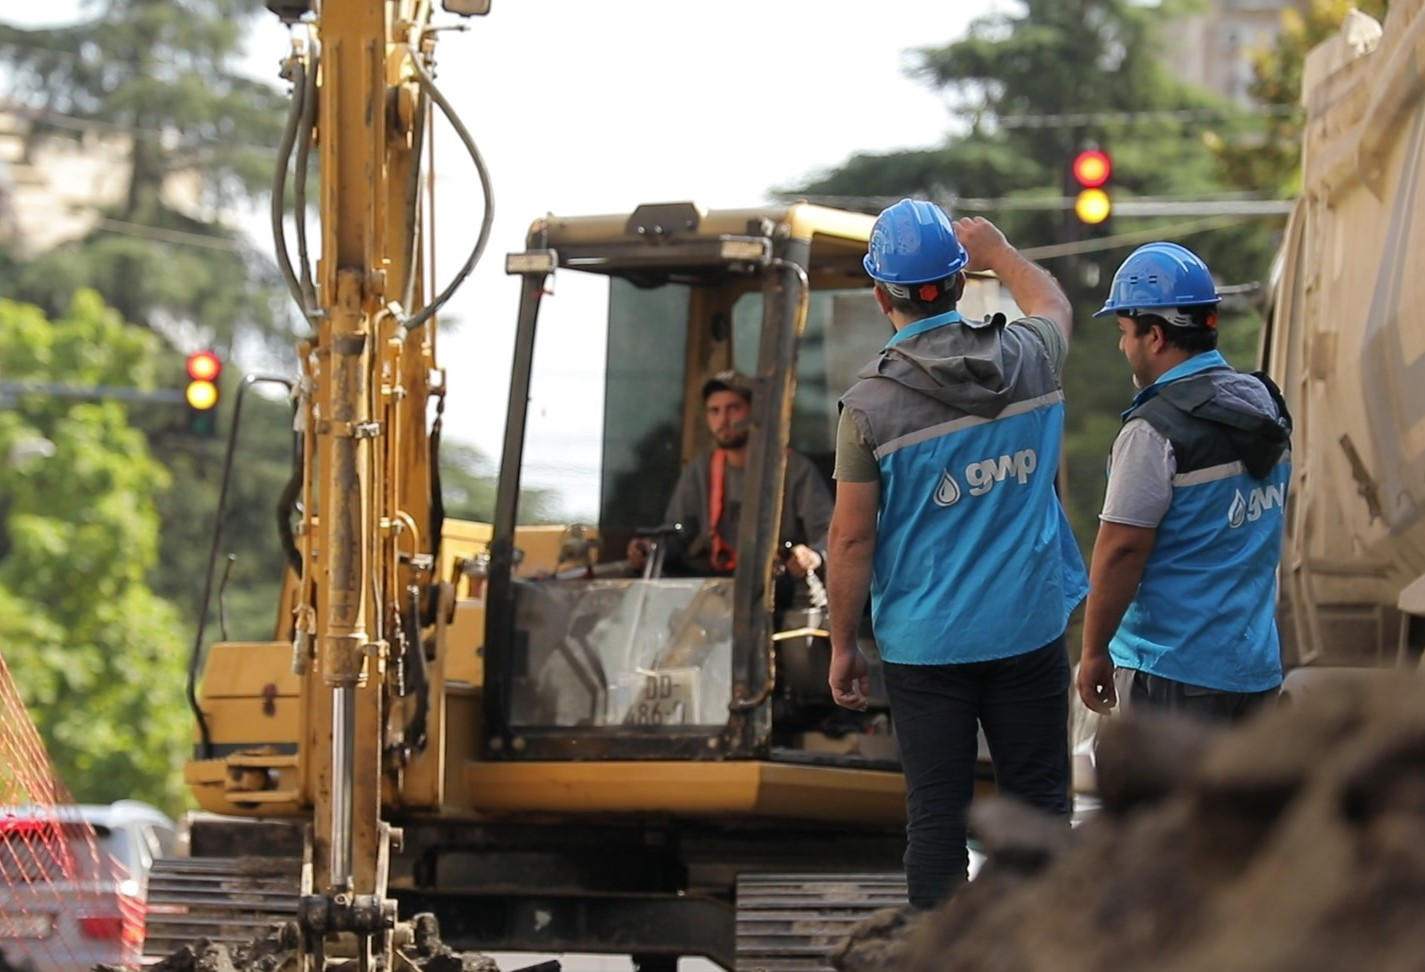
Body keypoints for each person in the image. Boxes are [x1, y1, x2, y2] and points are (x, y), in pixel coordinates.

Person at [826, 199, 1087, 910]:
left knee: (937, 820)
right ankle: (1042, 950)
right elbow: (1053, 303)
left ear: (880, 295)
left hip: (926, 647)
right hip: (1028, 629)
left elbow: (850, 538)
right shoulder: (1031, 358)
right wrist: (998, 251)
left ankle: (938, 953)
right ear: (958, 282)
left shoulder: (868, 408)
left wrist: (843, 645)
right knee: (1039, 808)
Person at [1077, 242, 1292, 724]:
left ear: (1155, 336)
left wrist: (1093, 650)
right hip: (1255, 671)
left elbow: (1122, 549)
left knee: (1157, 782)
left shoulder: (1153, 430)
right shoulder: (1264, 409)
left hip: (1172, 673)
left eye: (1124, 332)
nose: (1122, 347)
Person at [627, 370, 831, 582]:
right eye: (714, 411)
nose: (723, 420)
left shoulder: (795, 470)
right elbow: (677, 535)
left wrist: (812, 556)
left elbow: (830, 534)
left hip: (779, 586)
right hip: (718, 586)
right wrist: (650, 549)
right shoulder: (699, 471)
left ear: (755, 412)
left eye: (733, 408)